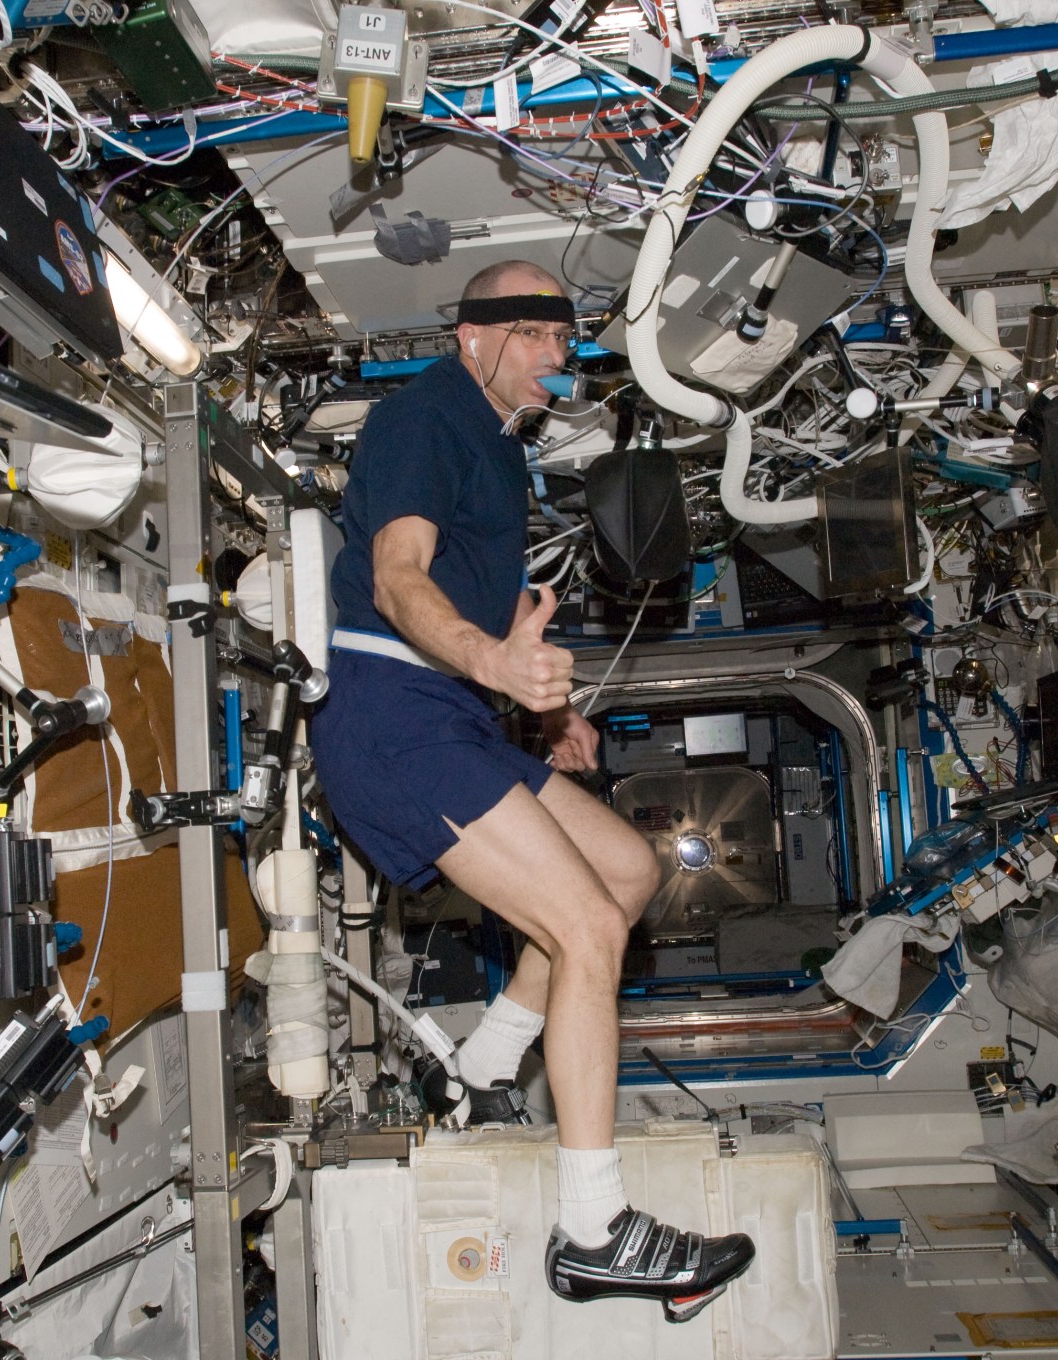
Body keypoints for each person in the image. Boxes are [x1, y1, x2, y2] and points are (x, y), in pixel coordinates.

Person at [310, 260, 756, 1322]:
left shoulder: (501, 457)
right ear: (472, 336)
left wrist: (542, 702)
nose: (561, 354)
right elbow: (397, 578)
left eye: (565, 335)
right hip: (393, 715)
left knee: (628, 868)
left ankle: (481, 1064)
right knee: (588, 929)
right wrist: (494, 664)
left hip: (454, 716)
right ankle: (594, 1230)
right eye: (536, 333)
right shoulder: (421, 417)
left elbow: (479, 597)